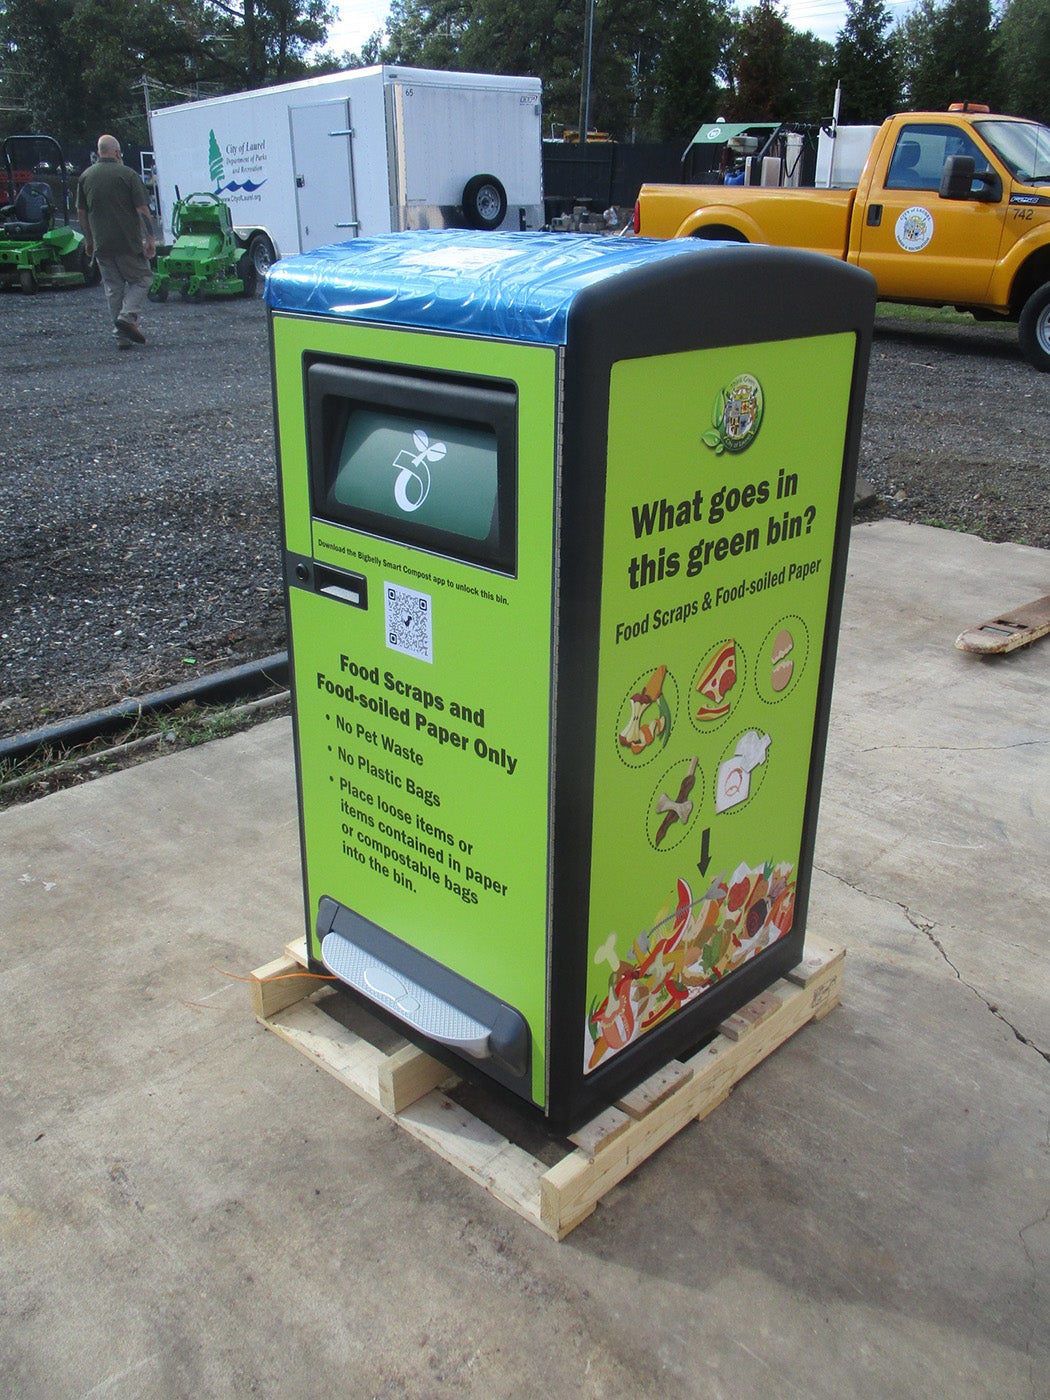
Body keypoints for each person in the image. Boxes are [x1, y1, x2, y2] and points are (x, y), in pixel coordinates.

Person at [76, 135, 156, 349]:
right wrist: (149, 238)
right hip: (127, 242)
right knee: (143, 279)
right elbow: (142, 210)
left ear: (99, 151)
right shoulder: (127, 174)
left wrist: (89, 239)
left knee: (113, 288)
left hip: (102, 244)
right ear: (117, 153)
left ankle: (121, 337)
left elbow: (81, 212)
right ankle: (127, 317)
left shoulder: (85, 176)